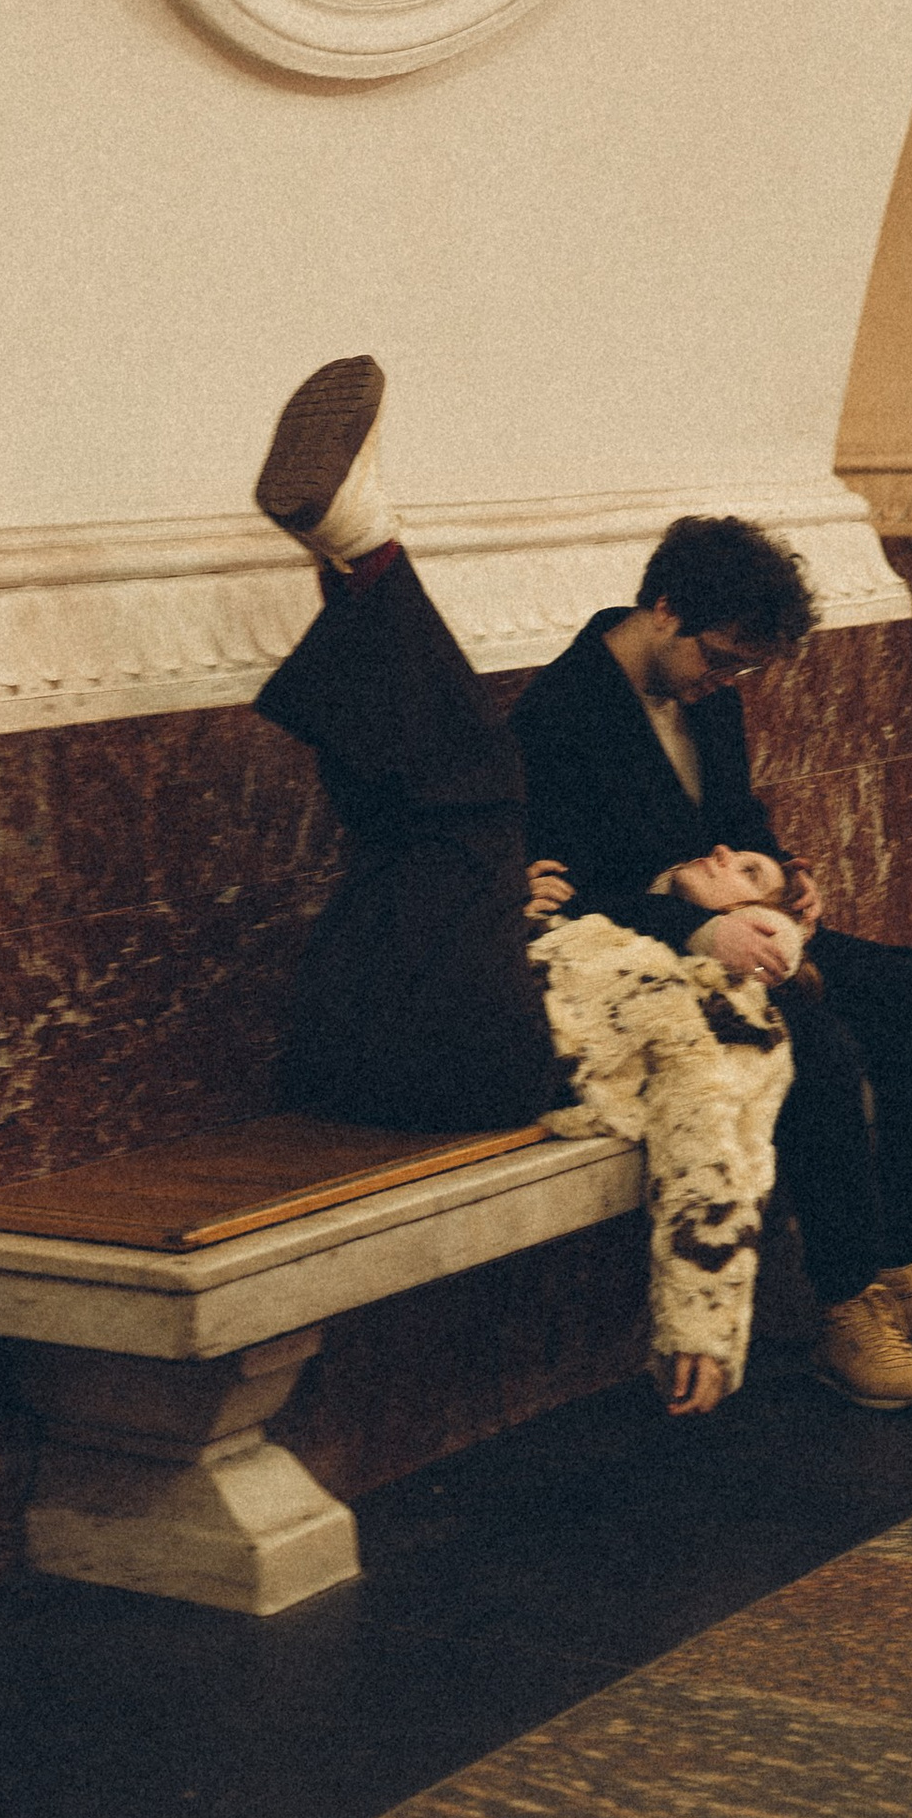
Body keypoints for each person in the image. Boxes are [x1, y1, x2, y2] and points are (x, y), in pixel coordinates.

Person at [250, 358, 781, 1413]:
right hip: (394, 1018)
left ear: (756, 945)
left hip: (477, 1063)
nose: (732, 864)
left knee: (478, 799)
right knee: (412, 822)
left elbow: (712, 1160)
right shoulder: (656, 954)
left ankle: (362, 554)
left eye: (748, 881)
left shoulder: (725, 1032)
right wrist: (537, 906)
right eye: (743, 866)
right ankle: (355, 565)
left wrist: (703, 1332)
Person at [511, 514, 912, 1410]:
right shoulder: (560, 714)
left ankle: (906, 1264)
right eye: (721, 659)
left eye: (746, 669)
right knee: (818, 1047)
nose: (726, 682)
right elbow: (568, 899)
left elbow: (736, 819)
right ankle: (846, 1306)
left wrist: (782, 875)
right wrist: (689, 917)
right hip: (641, 963)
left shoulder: (708, 690)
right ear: (666, 610)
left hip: (737, 932)